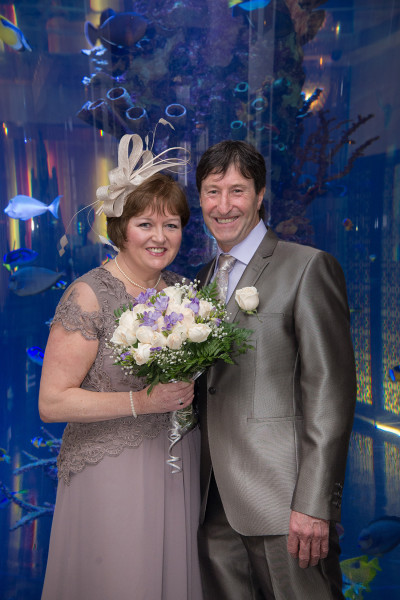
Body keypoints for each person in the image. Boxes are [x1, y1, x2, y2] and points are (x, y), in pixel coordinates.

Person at [39, 133, 203, 600]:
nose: (160, 237)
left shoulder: (180, 293)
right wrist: (141, 400)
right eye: (146, 224)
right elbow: (51, 402)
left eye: (171, 225)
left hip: (174, 467)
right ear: (120, 229)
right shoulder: (89, 294)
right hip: (111, 473)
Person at [195, 140, 357, 599]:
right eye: (211, 191)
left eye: (237, 190)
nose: (223, 205)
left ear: (260, 194)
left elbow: (331, 391)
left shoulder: (306, 267)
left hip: (284, 502)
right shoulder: (200, 279)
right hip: (212, 502)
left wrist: (314, 504)